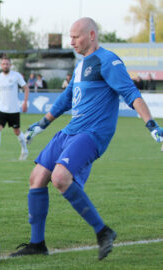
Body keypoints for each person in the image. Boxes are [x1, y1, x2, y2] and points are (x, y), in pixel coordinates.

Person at [10, 17, 163, 260]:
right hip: (71, 131)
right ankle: (37, 244)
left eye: (76, 37)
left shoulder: (108, 61)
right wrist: (42, 124)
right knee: (37, 177)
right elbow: (66, 99)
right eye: (70, 37)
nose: (71, 42)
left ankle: (103, 232)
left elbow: (130, 93)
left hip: (92, 134)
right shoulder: (81, 66)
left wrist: (151, 124)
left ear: (91, 35)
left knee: (60, 177)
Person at [0, 57, 30, 161]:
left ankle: (25, 150)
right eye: (4, 64)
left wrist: (25, 102)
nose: (5, 66)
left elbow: (26, 88)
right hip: (1, 109)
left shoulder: (16, 76)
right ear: (1, 65)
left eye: (7, 64)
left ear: (10, 65)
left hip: (14, 109)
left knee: (17, 131)